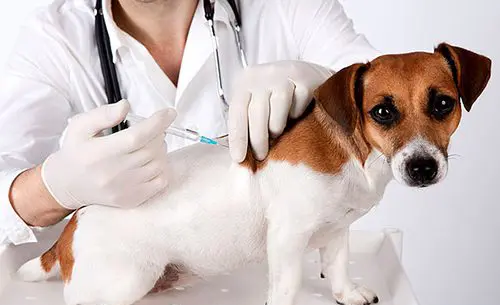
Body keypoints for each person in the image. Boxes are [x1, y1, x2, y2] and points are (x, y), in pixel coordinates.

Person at [0, 0, 378, 246]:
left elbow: (402, 89)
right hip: (129, 289)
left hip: (279, 276)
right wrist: (54, 189)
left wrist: (326, 80)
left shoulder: (289, 8)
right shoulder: (54, 38)